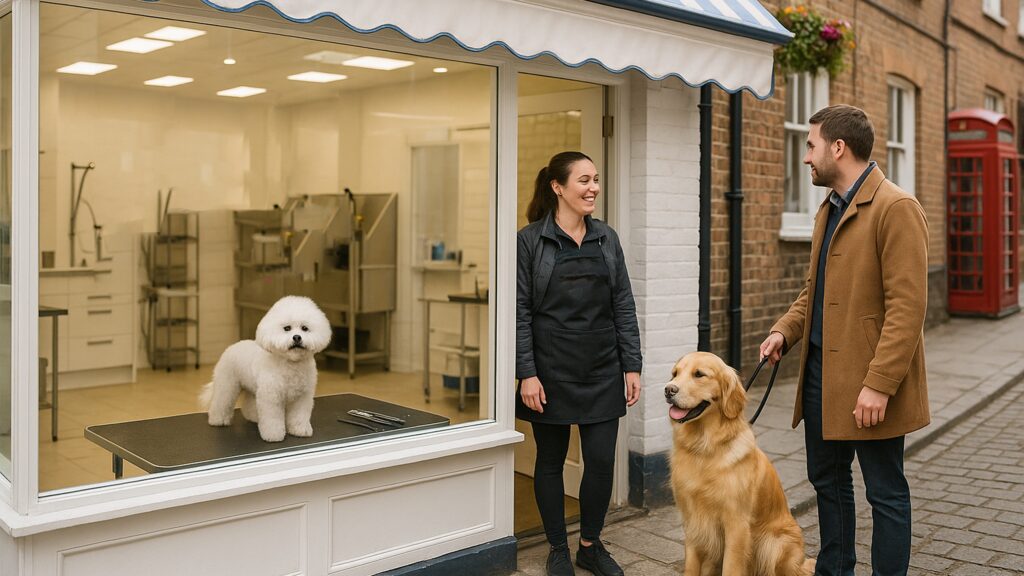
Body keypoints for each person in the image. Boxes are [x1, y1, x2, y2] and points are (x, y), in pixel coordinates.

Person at [759, 105, 930, 576]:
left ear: (838, 147)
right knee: (828, 483)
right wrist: (784, 331)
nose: (806, 157)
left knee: (885, 492)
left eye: (810, 145)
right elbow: (815, 290)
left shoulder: (896, 208)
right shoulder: (829, 208)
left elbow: (907, 308)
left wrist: (879, 384)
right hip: (821, 378)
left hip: (870, 384)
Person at [516, 151, 642, 576]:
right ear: (558, 187)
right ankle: (556, 548)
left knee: (602, 461)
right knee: (549, 462)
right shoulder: (530, 240)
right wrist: (526, 373)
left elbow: (622, 303)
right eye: (584, 181)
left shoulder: (607, 238)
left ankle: (589, 544)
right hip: (549, 371)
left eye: (596, 179)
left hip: (603, 368)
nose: (594, 188)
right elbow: (519, 312)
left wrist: (632, 365)